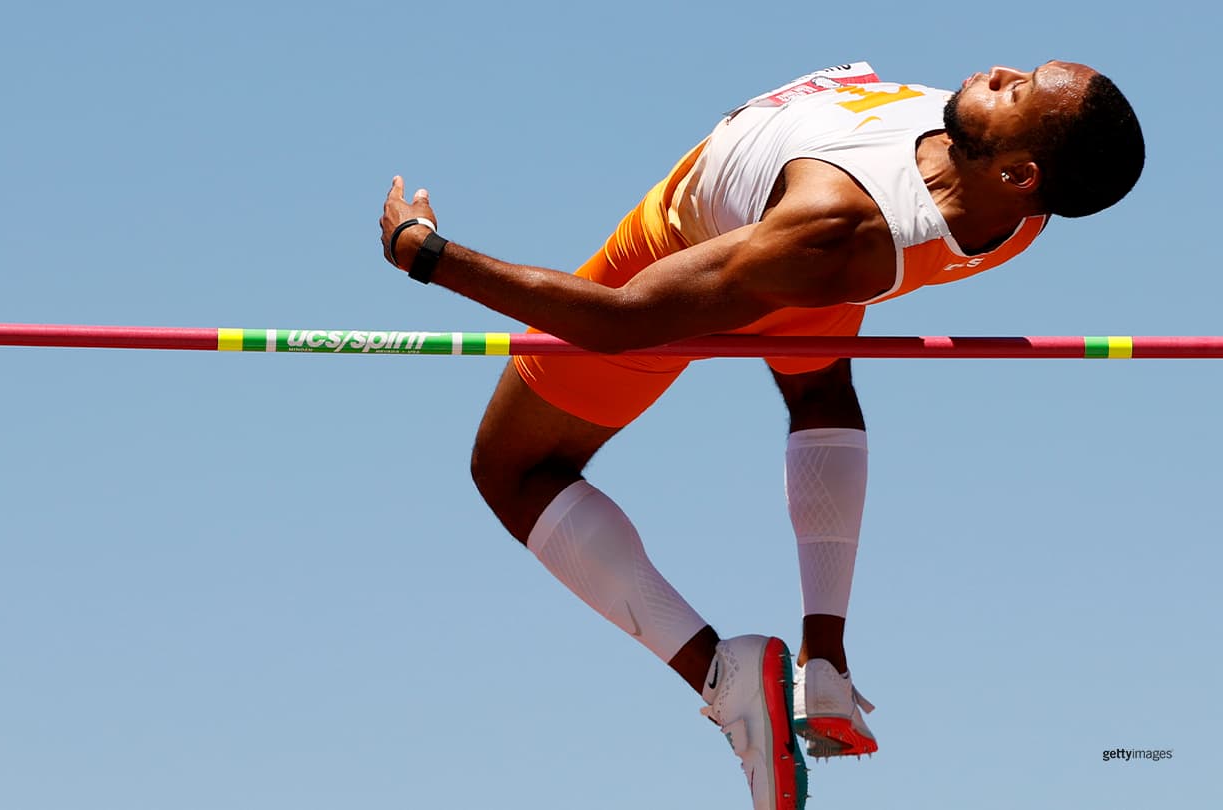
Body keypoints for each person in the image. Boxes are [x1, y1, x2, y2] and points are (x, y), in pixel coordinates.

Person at [377, 60, 1143, 810]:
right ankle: (826, 661)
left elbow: (620, 323)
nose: (998, 70)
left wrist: (430, 256)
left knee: (514, 469)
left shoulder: (835, 230)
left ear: (1018, 176)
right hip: (812, 253)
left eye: (1018, 90)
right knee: (818, 380)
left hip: (696, 244)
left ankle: (727, 678)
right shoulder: (997, 193)